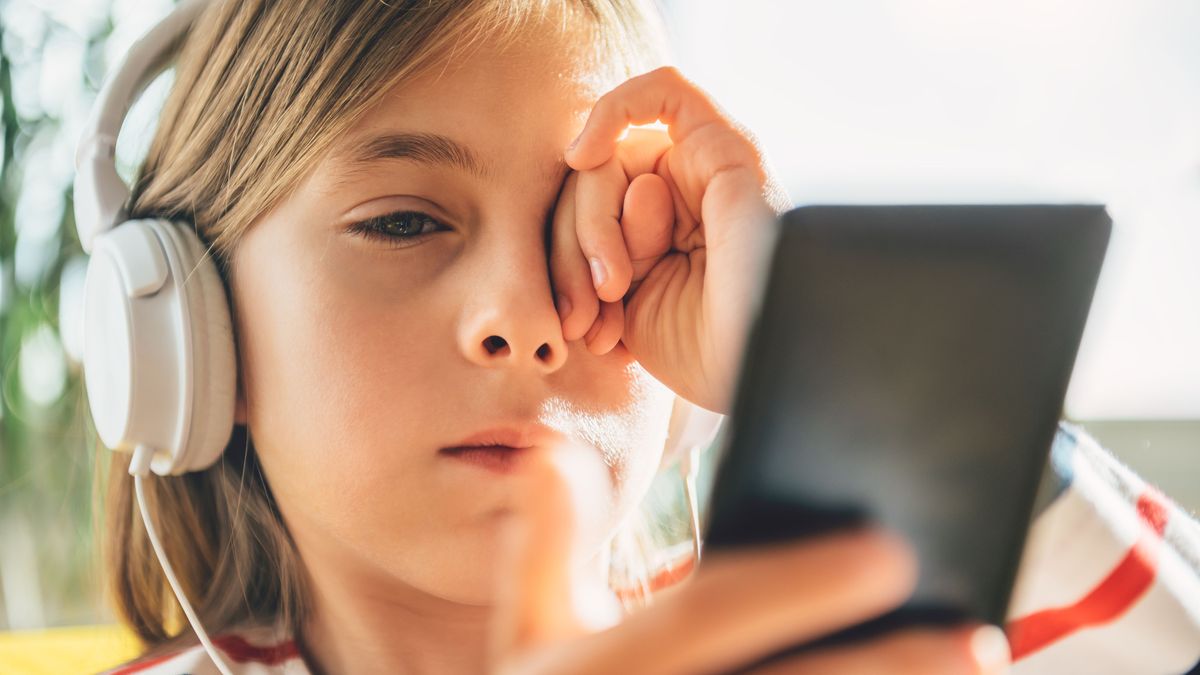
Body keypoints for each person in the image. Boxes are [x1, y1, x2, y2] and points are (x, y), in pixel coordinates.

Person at [90, 1, 1200, 674]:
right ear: (190, 323)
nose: (526, 321)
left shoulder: (819, 638)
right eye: (404, 222)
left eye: (597, 231)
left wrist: (804, 361)